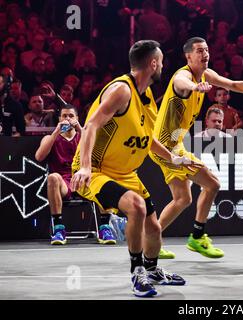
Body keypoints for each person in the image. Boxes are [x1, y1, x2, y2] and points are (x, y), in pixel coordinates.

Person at [70, 40, 199, 298]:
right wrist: (84, 167)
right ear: (153, 63)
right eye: (161, 61)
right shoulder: (121, 90)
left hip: (127, 173)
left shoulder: (147, 95)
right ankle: (137, 271)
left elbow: (149, 140)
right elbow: (91, 125)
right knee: (136, 207)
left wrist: (174, 158)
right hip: (97, 171)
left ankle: (152, 270)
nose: (163, 65)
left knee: (153, 228)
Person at [150, 37, 243, 260]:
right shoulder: (183, 76)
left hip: (172, 144)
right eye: (199, 51)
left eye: (207, 50)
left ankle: (151, 240)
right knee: (212, 184)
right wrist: (195, 87)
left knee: (182, 199)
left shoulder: (207, 74)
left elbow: (233, 85)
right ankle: (197, 237)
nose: (205, 54)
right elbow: (181, 82)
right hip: (167, 147)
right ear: (188, 56)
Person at [35, 105, 116, 245]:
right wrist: (56, 132)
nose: (68, 119)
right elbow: (39, 156)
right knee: (53, 177)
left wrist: (79, 128)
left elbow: (95, 147)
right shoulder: (50, 138)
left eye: (71, 116)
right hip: (64, 183)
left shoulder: (84, 137)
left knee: (104, 176)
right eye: (64, 116)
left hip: (84, 181)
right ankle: (59, 229)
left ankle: (105, 228)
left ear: (77, 118)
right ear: (59, 119)